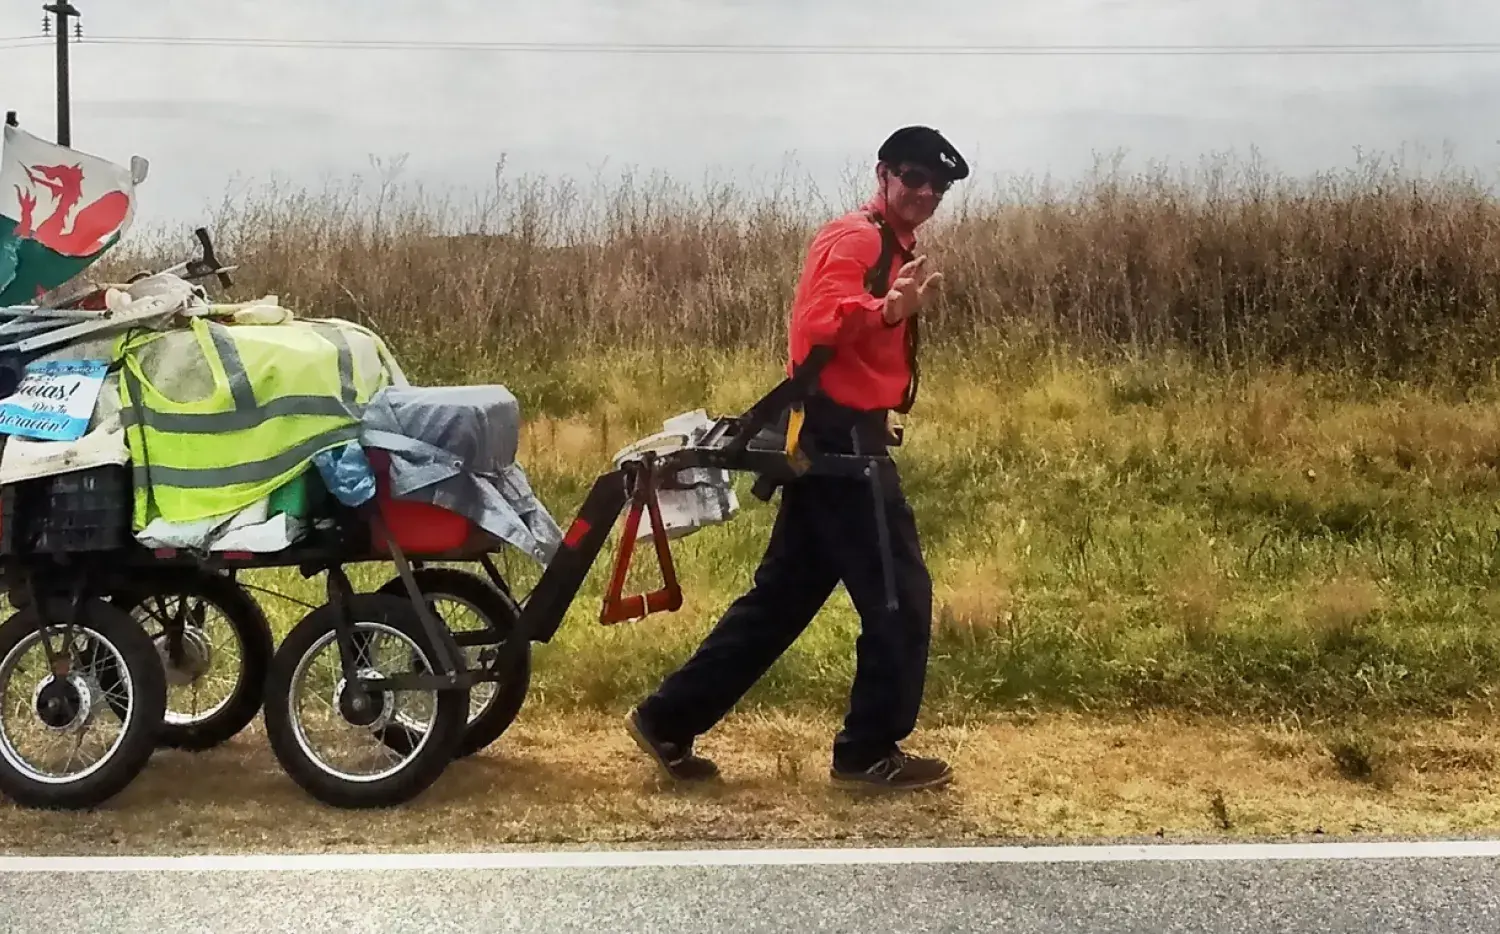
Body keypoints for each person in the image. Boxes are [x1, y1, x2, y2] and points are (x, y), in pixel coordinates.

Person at [625, 125, 969, 792]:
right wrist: (886, 312)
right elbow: (820, 325)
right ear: (883, 174)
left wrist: (888, 312)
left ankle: (668, 718)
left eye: (938, 184)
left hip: (830, 443)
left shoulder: (891, 245)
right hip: (841, 447)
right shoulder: (858, 239)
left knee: (778, 604)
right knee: (900, 599)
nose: (925, 192)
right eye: (913, 177)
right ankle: (868, 753)